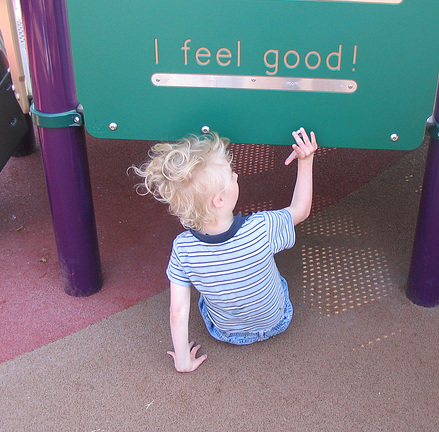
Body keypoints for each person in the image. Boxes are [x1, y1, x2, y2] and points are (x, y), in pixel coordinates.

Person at [131, 127, 318, 372]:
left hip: (225, 332)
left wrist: (183, 360)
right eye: (231, 176)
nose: (237, 176)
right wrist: (306, 160)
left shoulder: (182, 248)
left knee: (201, 295)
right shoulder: (261, 227)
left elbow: (177, 310)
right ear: (219, 200)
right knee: (277, 279)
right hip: (276, 322)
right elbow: (301, 210)